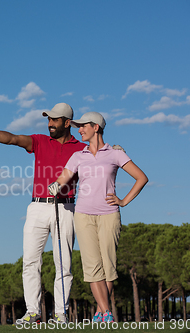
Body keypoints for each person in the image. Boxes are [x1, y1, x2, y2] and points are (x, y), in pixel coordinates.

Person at [0, 103, 86, 324]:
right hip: (37, 207)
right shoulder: (40, 141)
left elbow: (100, 161)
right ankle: (33, 311)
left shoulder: (81, 148)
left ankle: (61, 314)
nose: (50, 123)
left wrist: (114, 149)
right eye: (48, 119)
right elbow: (11, 138)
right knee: (31, 261)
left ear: (67, 122)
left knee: (64, 263)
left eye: (55, 120)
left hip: (66, 208)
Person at [48, 112, 148, 323]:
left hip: (109, 216)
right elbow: (64, 178)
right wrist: (54, 187)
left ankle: (101, 312)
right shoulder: (78, 156)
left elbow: (141, 178)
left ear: (96, 127)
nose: (79, 130)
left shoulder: (115, 154)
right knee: (92, 267)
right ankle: (106, 312)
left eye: (83, 126)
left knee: (108, 267)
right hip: (83, 216)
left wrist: (123, 201)